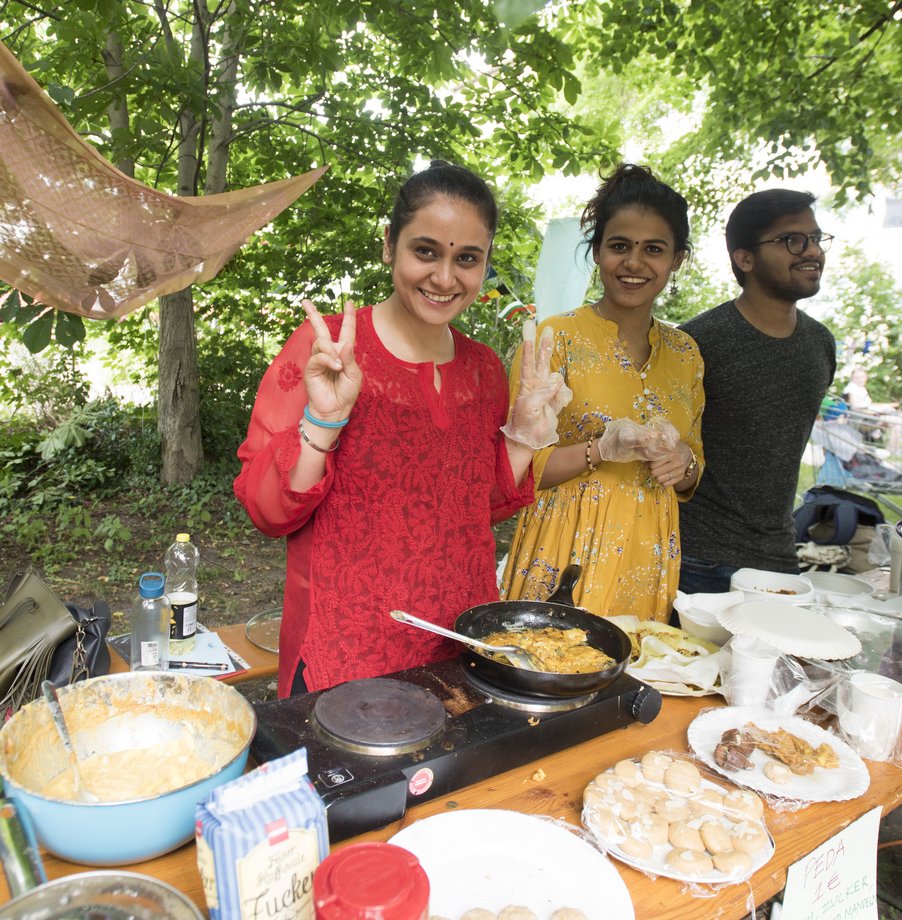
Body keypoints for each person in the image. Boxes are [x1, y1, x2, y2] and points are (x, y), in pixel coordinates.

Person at [235, 161, 568, 696]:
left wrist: (524, 435)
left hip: (459, 644)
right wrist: (324, 421)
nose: (444, 277)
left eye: (467, 259)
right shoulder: (329, 348)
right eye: (426, 251)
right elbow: (269, 512)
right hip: (344, 650)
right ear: (390, 244)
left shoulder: (483, 368)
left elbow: (477, 507)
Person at [500, 164, 704, 621]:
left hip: (648, 547)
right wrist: (601, 449)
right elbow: (516, 471)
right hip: (563, 543)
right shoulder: (555, 340)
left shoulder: (686, 353)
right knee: (550, 670)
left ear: (677, 259)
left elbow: (695, 467)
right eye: (619, 246)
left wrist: (684, 463)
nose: (634, 263)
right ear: (596, 252)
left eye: (654, 249)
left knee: (640, 678)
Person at [678, 189, 837, 593]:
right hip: (699, 560)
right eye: (792, 240)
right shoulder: (699, 342)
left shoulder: (820, 344)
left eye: (816, 239)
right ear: (744, 258)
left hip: (780, 557)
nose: (812, 252)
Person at [842, 367, 902, 454]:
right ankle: (892, 449)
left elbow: (869, 404)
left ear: (866, 377)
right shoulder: (850, 389)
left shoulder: (861, 388)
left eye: (862, 377)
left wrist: (887, 406)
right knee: (899, 421)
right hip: (862, 420)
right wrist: (876, 413)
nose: (860, 380)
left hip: (870, 417)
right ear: (852, 378)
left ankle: (894, 447)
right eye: (857, 377)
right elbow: (855, 408)